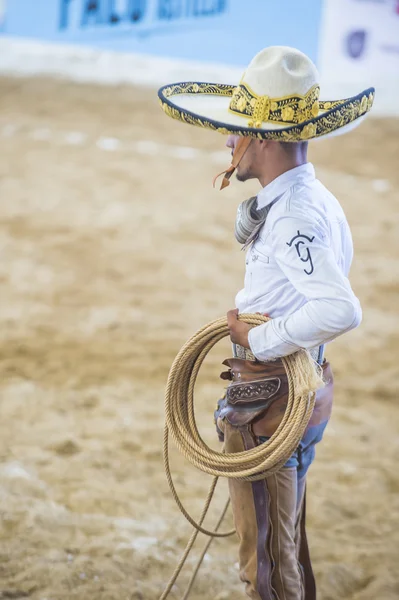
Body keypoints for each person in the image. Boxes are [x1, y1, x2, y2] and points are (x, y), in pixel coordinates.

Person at [159, 46, 374, 600]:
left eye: (237, 131)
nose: (229, 142)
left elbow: (339, 308)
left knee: (268, 569)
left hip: (271, 404)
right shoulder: (309, 199)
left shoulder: (296, 214)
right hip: (294, 393)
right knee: (282, 547)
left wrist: (259, 338)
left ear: (265, 138)